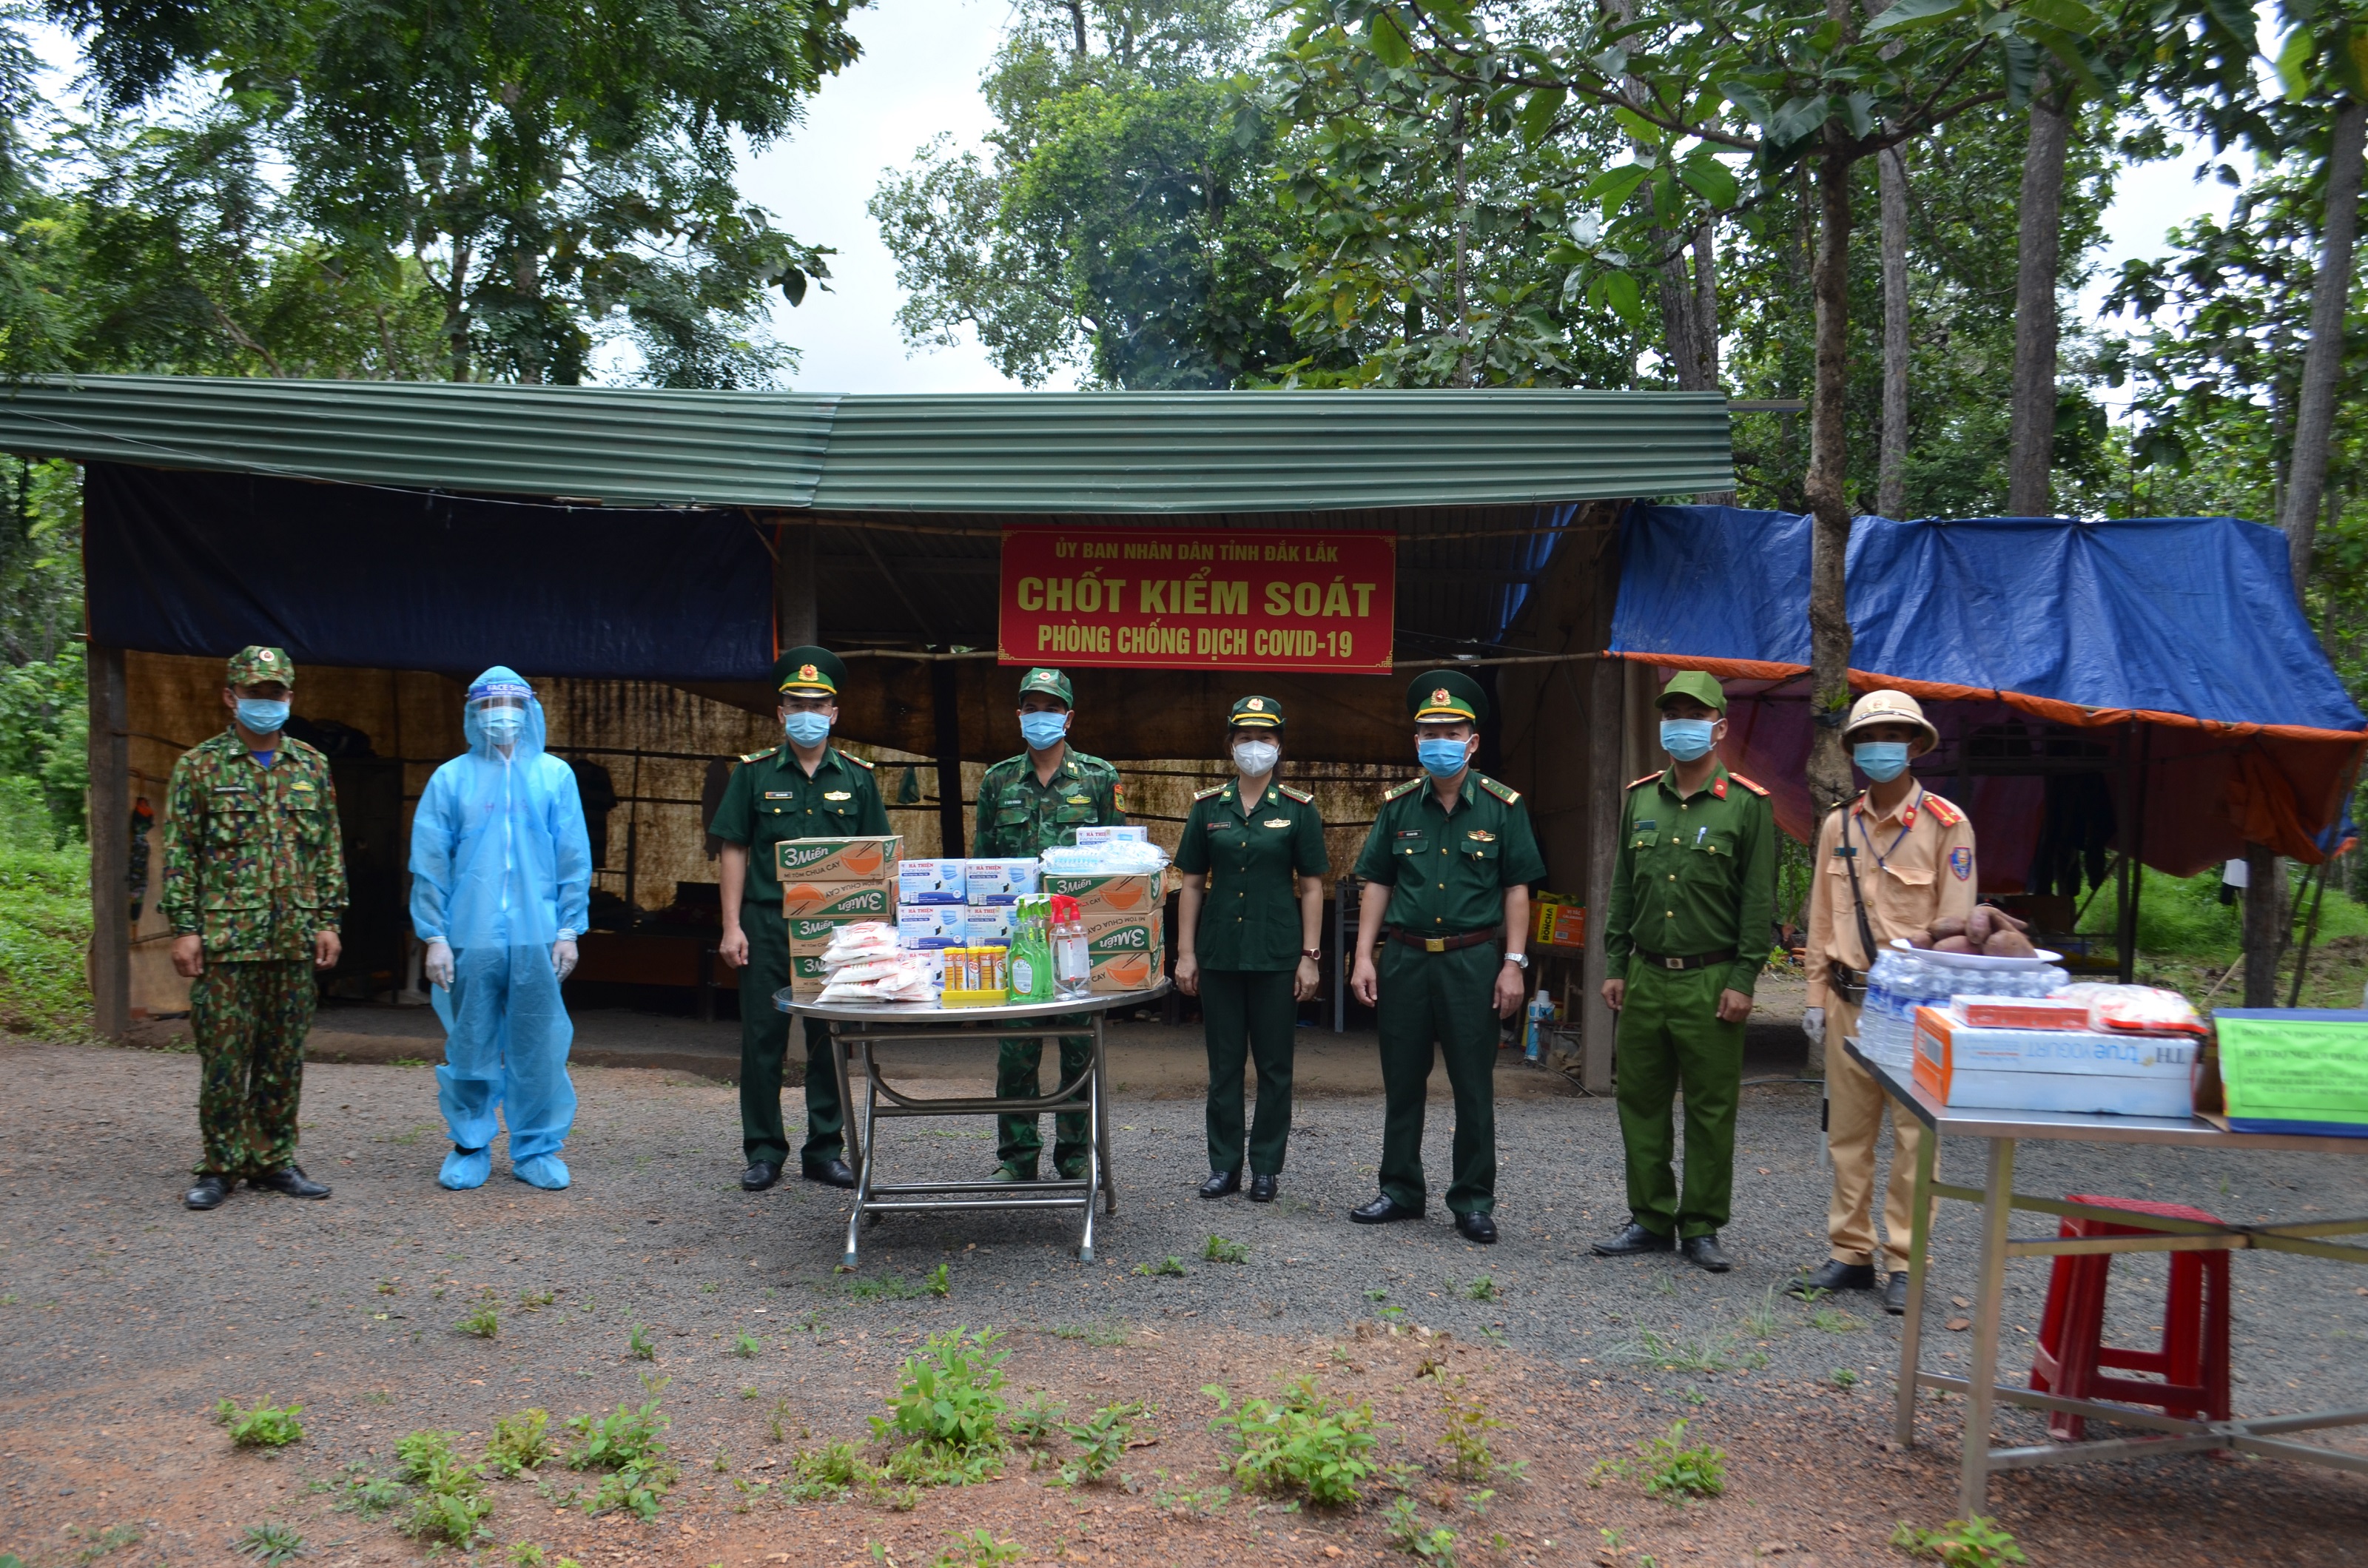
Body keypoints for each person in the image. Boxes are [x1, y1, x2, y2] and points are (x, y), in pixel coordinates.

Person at [1793, 689, 1974, 1313]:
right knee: (1848, 1134)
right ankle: (1850, 1253)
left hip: (1914, 1008)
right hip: (1847, 997)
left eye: (1893, 735)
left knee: (1915, 1137)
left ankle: (1905, 1258)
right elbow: (1821, 918)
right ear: (1853, 751)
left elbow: (1957, 933)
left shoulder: (1949, 827)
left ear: (1916, 744)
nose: (1880, 747)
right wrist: (1814, 994)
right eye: (1869, 738)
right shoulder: (1837, 825)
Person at [1347, 670, 1543, 1244]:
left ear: (1472, 740)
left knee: (1473, 1084)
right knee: (1402, 1080)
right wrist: (1364, 955)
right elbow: (1377, 883)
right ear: (1416, 742)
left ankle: (1473, 1199)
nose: (1439, 738)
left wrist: (1514, 962)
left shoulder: (1503, 807)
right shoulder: (1399, 807)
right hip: (1405, 959)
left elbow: (1516, 891)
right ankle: (1401, 1190)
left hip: (1473, 961)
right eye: (1428, 730)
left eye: (1450, 729)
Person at [1592, 670, 1777, 1273]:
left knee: (1710, 1107)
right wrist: (1615, 961)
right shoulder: (1640, 798)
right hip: (1645, 975)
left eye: (1694, 716)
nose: (1681, 726)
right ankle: (1648, 1217)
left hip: (1710, 978)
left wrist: (1744, 978)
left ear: (1719, 727)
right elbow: (1622, 887)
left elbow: (1757, 903)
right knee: (1639, 1102)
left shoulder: (1747, 806)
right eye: (1672, 714)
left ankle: (1699, 1224)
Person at [161, 646, 346, 1211]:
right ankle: (220, 1165)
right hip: (226, 943)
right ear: (230, 696)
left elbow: (327, 849)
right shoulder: (200, 766)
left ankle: (272, 1159)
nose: (265, 702)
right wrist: (185, 927)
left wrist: (329, 919)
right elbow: (179, 853)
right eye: (254, 692)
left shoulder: (312, 765)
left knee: (282, 1056)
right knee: (223, 1060)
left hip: (292, 938)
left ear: (289, 697)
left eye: (275, 693)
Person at [712, 647, 889, 1192]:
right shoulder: (753, 774)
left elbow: (878, 858)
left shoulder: (858, 778)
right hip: (766, 924)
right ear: (781, 711)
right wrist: (731, 925)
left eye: (818, 703)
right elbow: (733, 849)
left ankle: (824, 1148)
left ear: (834, 712)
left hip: (838, 930)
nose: (807, 712)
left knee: (828, 1037)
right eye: (796, 703)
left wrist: (877, 933)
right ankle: (764, 1150)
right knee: (762, 1038)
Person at [408, 668, 592, 1191]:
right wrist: (435, 935)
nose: (502, 713)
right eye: (491, 704)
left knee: (540, 1045)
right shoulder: (451, 778)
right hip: (471, 937)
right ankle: (469, 1143)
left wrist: (568, 928)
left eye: (513, 702)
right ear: (473, 713)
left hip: (537, 936)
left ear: (531, 709)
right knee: (470, 1042)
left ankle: (536, 1146)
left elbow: (573, 857)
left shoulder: (555, 776)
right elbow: (430, 862)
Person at [1173, 696, 1328, 1202]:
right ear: (1230, 745)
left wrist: (1310, 955)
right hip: (1218, 954)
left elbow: (1310, 888)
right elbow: (1192, 885)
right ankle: (1224, 1165)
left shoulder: (1299, 810)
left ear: (1279, 744)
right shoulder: (1206, 808)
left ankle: (1266, 1166)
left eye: (1264, 738)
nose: (1254, 747)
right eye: (1245, 738)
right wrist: (1186, 952)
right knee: (1223, 1066)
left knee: (1275, 1066)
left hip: (1276, 955)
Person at [974, 667, 1125, 1182]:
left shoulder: (1100, 777)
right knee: (1016, 1050)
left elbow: (1116, 865)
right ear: (1019, 714)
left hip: (1076, 937)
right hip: (1018, 937)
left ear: (1069, 716)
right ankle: (1017, 1159)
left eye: (1051, 707)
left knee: (1079, 1044)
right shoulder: (997, 780)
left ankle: (1076, 1155)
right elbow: (982, 866)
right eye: (1032, 707)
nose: (1041, 716)